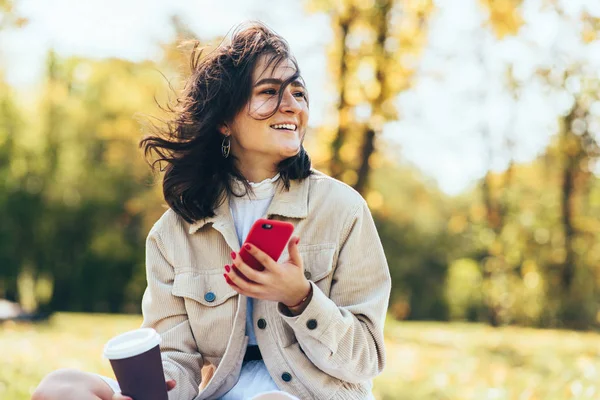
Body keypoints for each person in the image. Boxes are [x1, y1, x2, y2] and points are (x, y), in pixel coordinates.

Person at [32, 21, 391, 400]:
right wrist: (156, 390)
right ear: (224, 121)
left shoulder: (343, 209)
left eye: (298, 92)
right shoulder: (173, 232)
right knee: (60, 388)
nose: (292, 105)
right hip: (222, 393)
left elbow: (366, 358)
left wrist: (301, 298)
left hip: (313, 395)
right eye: (269, 91)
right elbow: (177, 358)